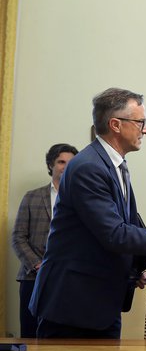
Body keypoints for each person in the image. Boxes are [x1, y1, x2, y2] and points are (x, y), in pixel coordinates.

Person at [29, 87, 146, 339]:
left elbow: (126, 225)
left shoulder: (113, 164)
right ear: (116, 125)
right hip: (73, 307)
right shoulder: (89, 167)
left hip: (98, 303)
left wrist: (134, 269)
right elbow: (115, 234)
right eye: (141, 122)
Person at [11, 143, 79, 338]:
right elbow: (18, 237)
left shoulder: (81, 198)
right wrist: (39, 265)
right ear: (51, 165)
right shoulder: (32, 197)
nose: (66, 166)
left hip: (67, 279)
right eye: (61, 162)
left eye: (71, 162)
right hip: (33, 277)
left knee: (63, 339)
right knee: (31, 336)